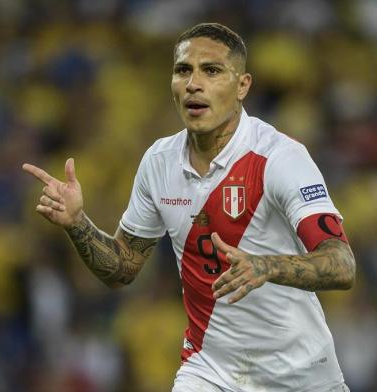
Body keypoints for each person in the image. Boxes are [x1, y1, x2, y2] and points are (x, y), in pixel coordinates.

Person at [23, 23, 355, 392]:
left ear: (242, 85)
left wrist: (266, 265)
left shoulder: (279, 158)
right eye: (183, 70)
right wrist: (77, 223)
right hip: (209, 371)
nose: (193, 83)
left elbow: (342, 264)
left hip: (302, 375)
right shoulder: (159, 162)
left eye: (211, 70)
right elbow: (122, 268)